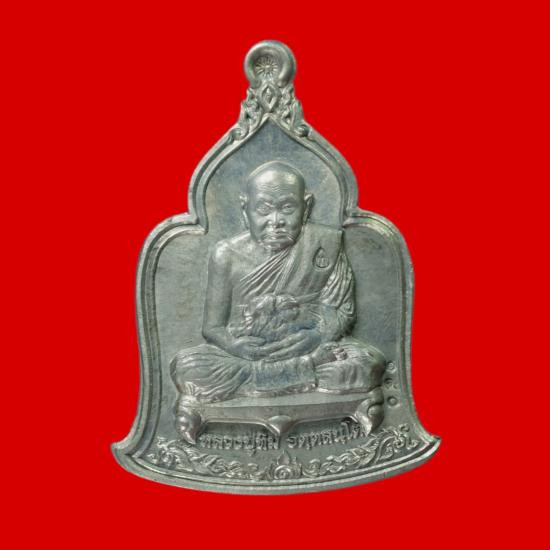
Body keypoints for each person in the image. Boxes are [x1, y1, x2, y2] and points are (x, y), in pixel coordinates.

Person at [170, 161, 386, 443]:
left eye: (287, 208)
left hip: (307, 346)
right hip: (250, 354)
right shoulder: (226, 254)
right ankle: (304, 371)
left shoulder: (326, 243)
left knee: (368, 364)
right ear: (245, 210)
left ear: (305, 208)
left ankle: (271, 378)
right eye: (263, 209)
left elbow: (342, 311)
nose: (276, 220)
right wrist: (236, 346)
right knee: (188, 368)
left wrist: (317, 336)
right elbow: (212, 328)